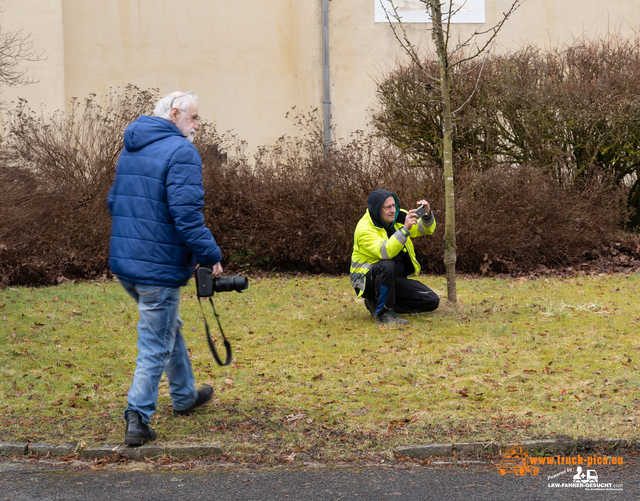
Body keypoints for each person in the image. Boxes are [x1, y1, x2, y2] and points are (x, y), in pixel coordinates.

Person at [107, 91, 223, 445]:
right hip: (156, 268)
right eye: (194, 118)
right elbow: (187, 216)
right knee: (156, 342)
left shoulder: (133, 146)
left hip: (127, 262)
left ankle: (185, 396)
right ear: (175, 114)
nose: (198, 126)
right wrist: (211, 254)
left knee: (167, 326)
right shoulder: (182, 151)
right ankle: (138, 416)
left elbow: (114, 201)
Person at [350, 189, 440, 324]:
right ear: (376, 209)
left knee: (431, 300)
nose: (393, 210)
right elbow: (385, 252)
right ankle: (383, 314)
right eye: (388, 207)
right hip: (366, 281)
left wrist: (427, 216)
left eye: (394, 205)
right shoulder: (364, 229)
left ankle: (377, 304)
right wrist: (405, 229)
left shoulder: (398, 216)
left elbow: (424, 229)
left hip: (392, 278)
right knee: (387, 265)